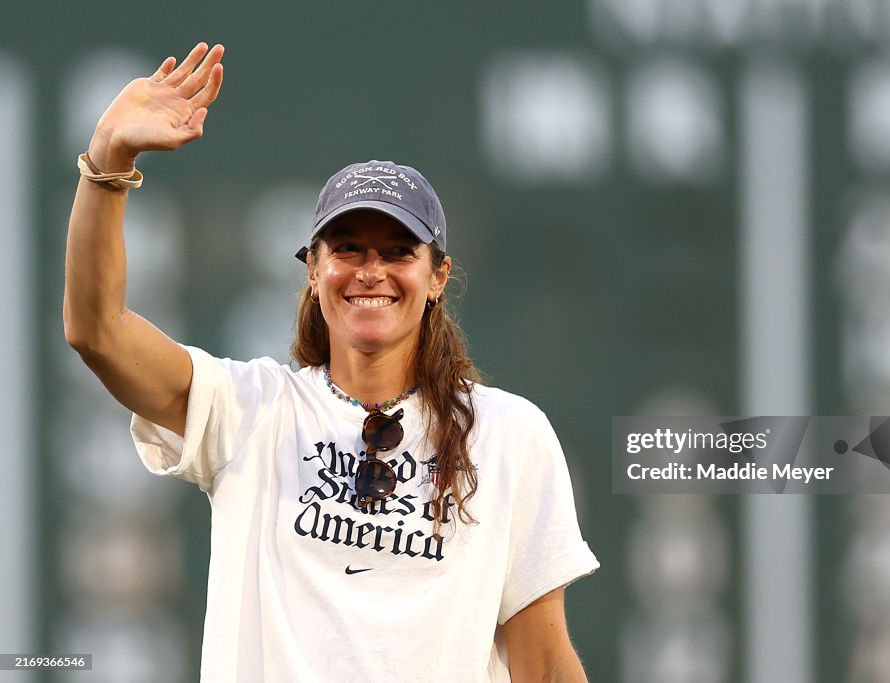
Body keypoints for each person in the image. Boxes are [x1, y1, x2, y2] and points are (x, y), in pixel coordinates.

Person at [64, 42, 599, 681]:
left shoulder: (511, 435)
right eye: (348, 247)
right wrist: (108, 159)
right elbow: (98, 331)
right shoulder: (250, 412)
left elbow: (542, 662)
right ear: (314, 270)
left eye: (399, 251)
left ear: (437, 276)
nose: (371, 271)